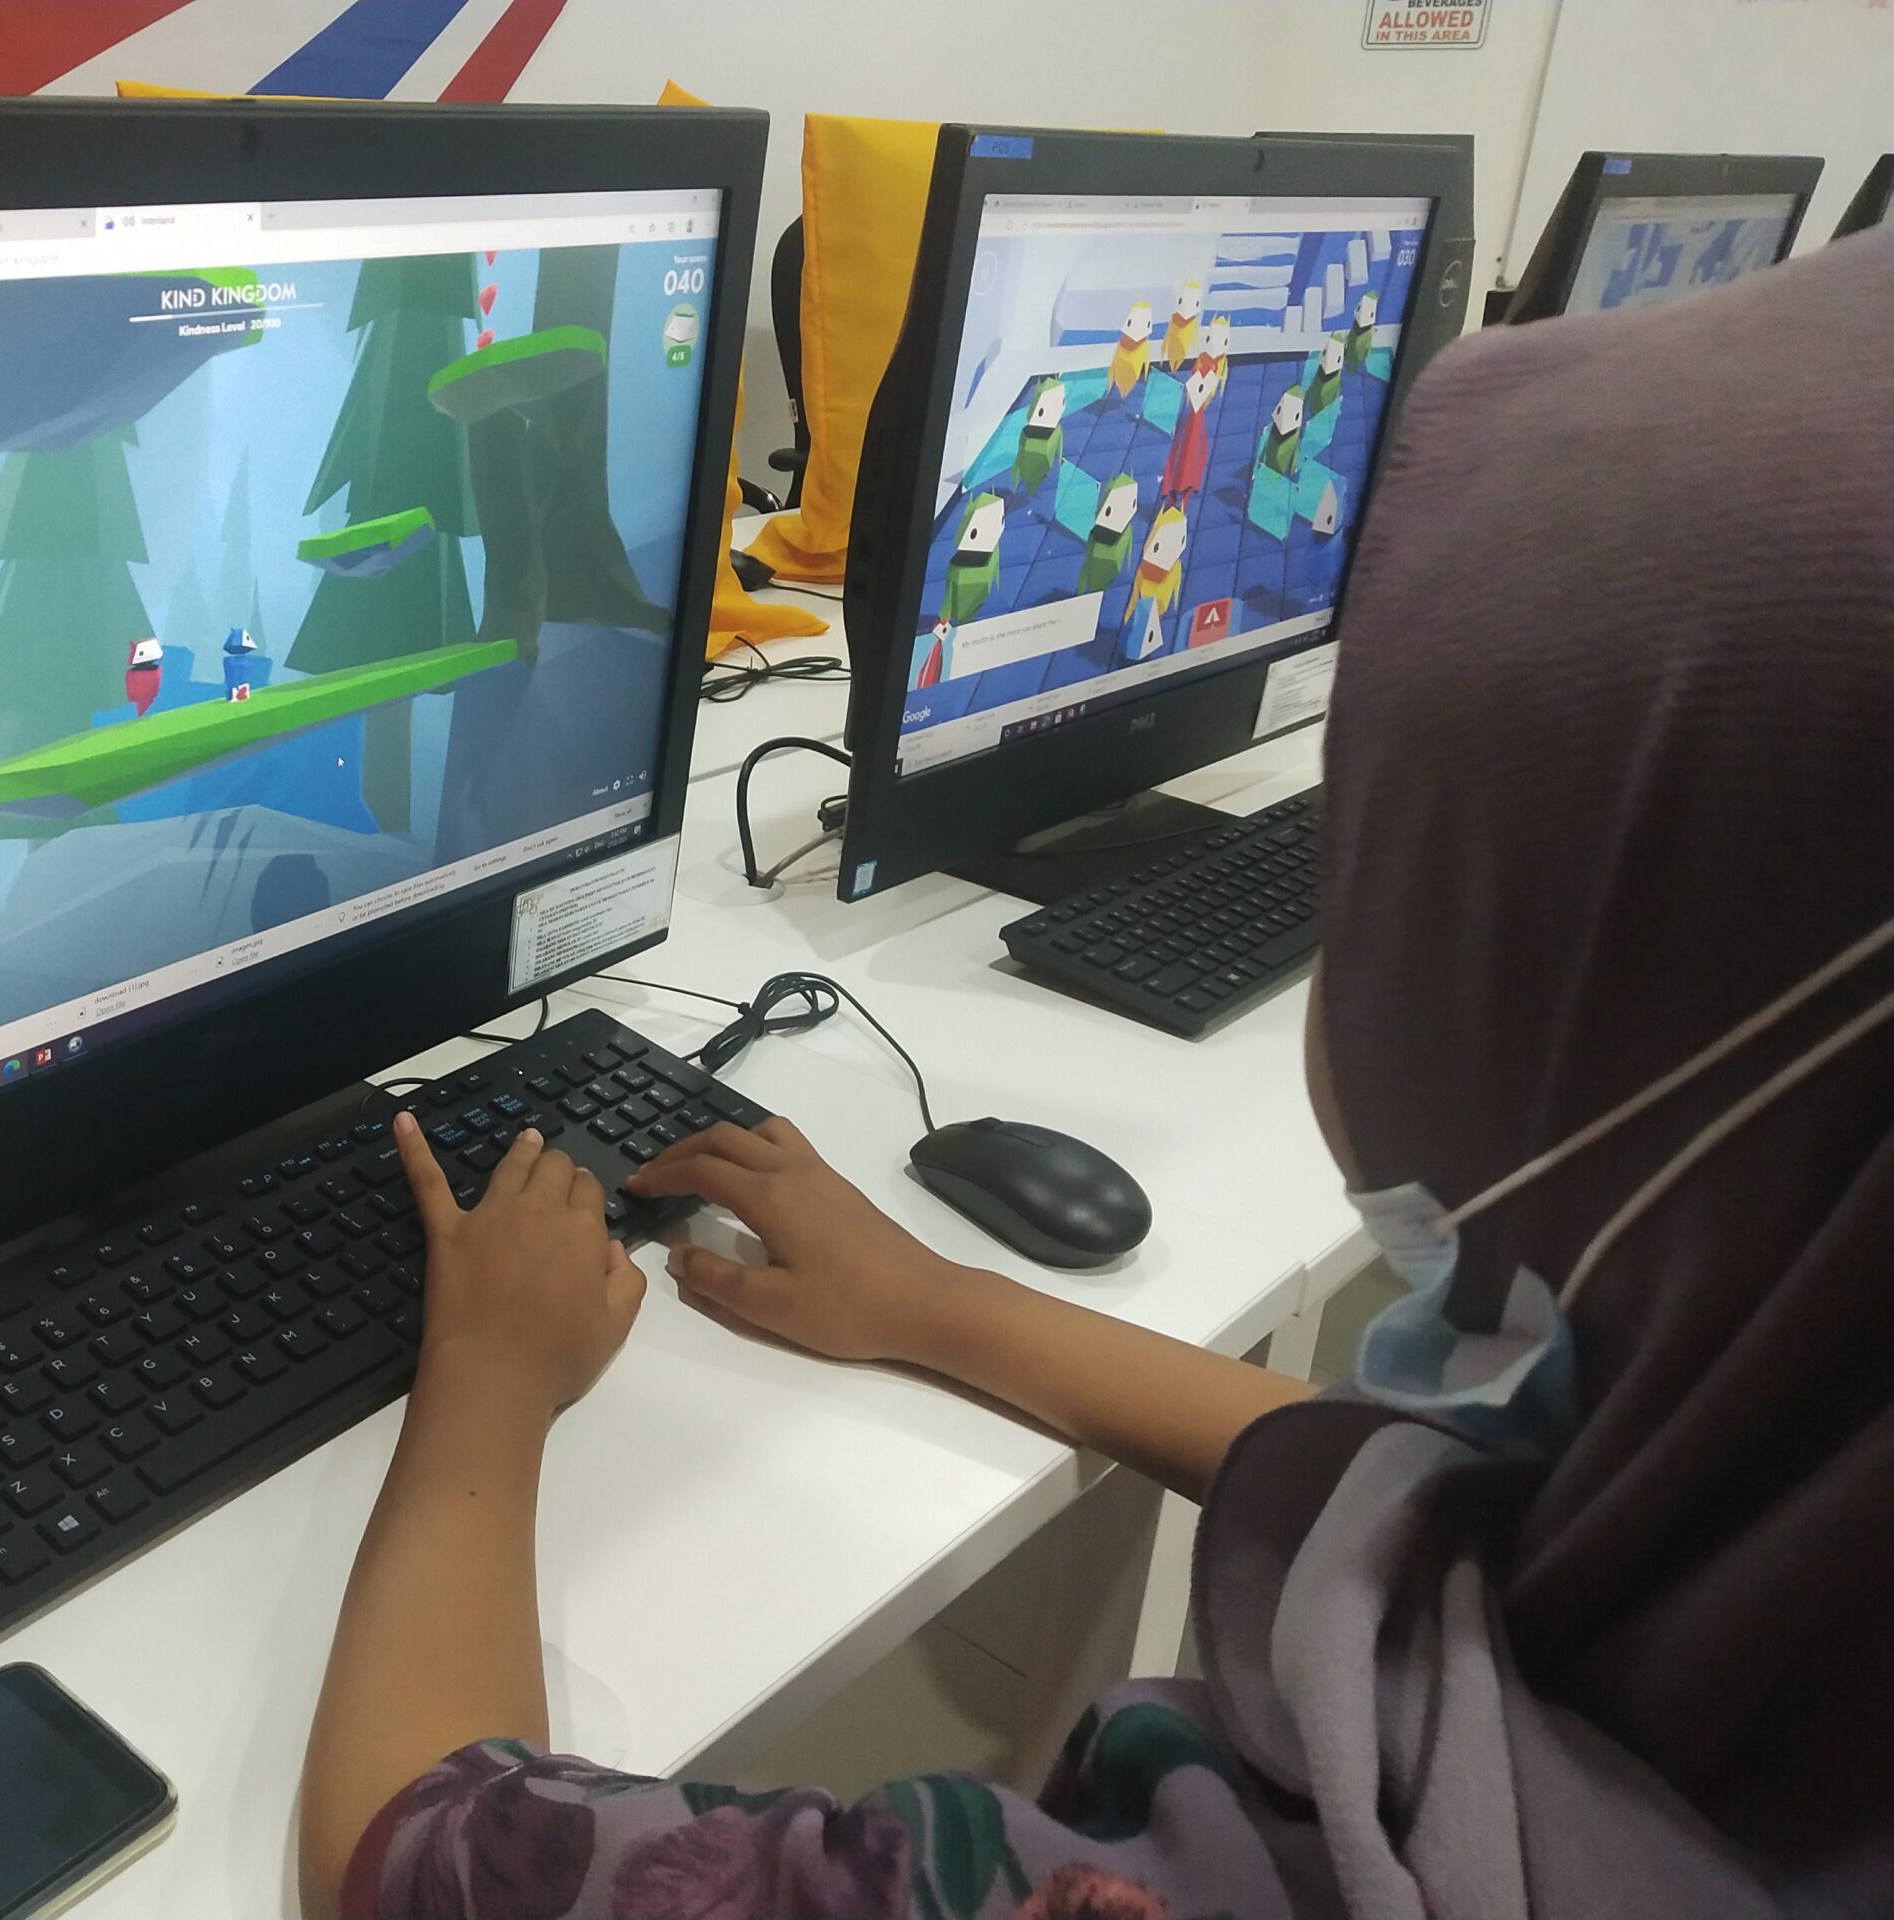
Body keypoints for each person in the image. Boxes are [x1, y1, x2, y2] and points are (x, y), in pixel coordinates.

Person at [299, 227, 1894, 1920]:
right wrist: (940, 1306)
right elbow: (1450, 1509)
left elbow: (410, 1854)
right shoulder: (1783, 1577)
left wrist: (488, 1378)